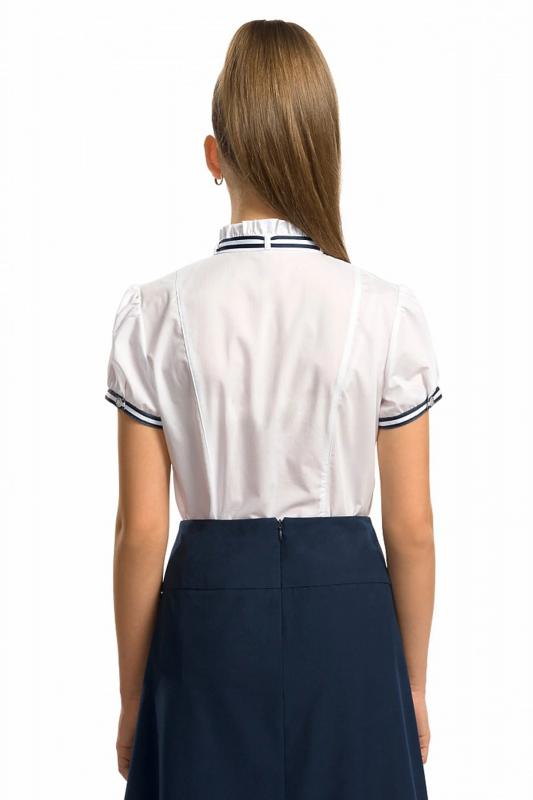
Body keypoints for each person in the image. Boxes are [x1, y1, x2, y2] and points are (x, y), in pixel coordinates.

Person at [105, 19, 442, 800]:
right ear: (322, 149)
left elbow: (141, 531)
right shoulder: (385, 311)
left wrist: (132, 697)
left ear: (213, 155)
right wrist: (412, 685)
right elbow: (412, 528)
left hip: (206, 626)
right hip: (351, 630)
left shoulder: (154, 313)